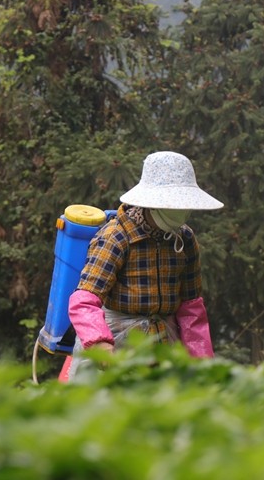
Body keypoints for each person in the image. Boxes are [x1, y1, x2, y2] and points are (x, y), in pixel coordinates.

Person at [67, 151, 223, 377]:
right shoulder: (117, 237)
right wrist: (99, 343)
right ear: (151, 203)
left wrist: (201, 362)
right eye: (173, 203)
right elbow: (84, 301)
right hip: (116, 339)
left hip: (162, 345)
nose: (181, 211)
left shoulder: (185, 240)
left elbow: (191, 308)